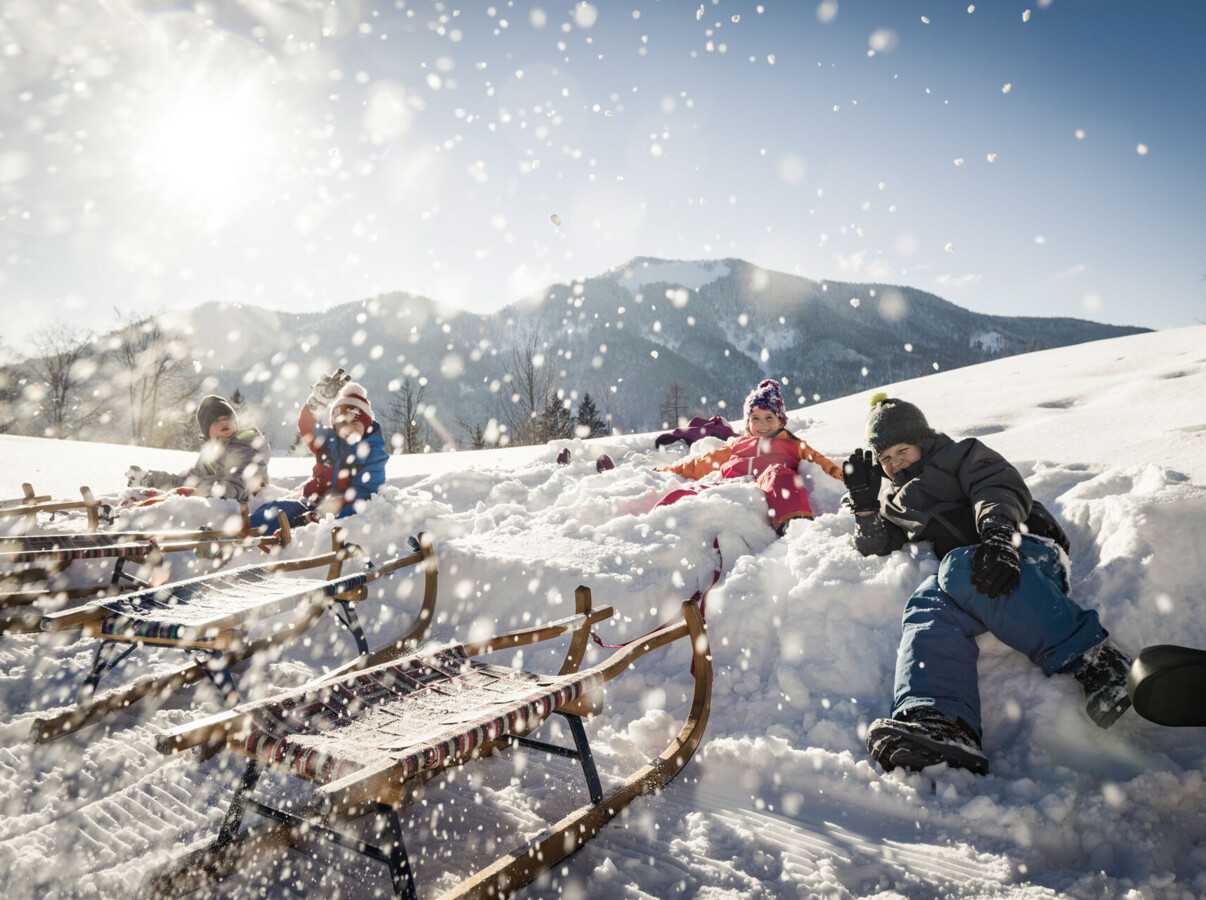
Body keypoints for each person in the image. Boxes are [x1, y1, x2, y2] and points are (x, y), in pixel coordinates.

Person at [843, 392, 1132, 776]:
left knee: (956, 568)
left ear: (923, 441)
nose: (895, 463)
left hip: (1023, 548)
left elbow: (994, 486)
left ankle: (1097, 660)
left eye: (903, 450)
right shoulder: (897, 503)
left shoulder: (959, 455)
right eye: (886, 459)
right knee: (926, 604)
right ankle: (941, 723)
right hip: (975, 577)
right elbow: (878, 544)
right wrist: (865, 507)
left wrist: (998, 537)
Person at [656, 379, 844, 534]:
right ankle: (658, 525)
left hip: (769, 486)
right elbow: (703, 464)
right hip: (731, 487)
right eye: (756, 419)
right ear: (748, 423)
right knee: (684, 493)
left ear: (781, 421)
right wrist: (669, 471)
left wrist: (844, 476)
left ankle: (795, 524)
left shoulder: (792, 444)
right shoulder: (737, 444)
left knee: (781, 475)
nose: (762, 424)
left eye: (769, 417)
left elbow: (821, 463)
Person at [247, 369, 388, 533]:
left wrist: (322, 514)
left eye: (355, 422)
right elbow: (307, 427)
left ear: (366, 425)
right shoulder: (329, 440)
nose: (348, 428)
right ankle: (240, 533)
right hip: (311, 503)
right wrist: (317, 403)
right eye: (343, 423)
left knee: (349, 511)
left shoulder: (373, 453)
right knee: (276, 509)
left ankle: (277, 538)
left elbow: (363, 494)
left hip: (341, 511)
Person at [126, 395, 270, 502]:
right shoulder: (209, 455)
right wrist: (152, 479)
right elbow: (188, 481)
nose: (223, 422)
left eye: (227, 417)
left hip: (242, 513)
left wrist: (202, 494)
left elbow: (237, 487)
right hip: (213, 506)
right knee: (166, 497)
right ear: (207, 432)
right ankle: (120, 514)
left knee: (173, 503)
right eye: (216, 420)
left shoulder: (244, 448)